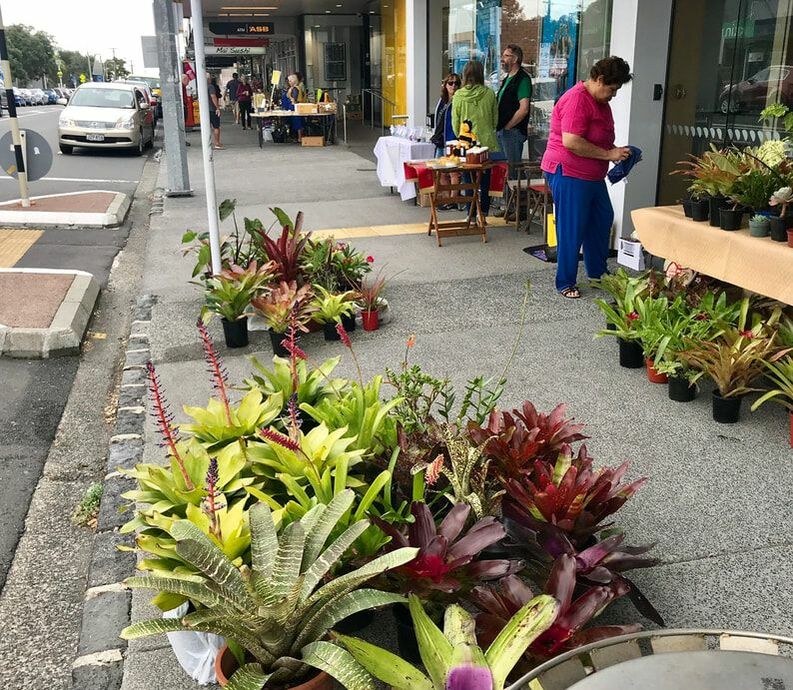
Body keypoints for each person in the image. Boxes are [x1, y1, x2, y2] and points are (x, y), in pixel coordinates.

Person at [540, 56, 633, 299]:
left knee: (602, 218)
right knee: (572, 226)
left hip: (591, 174)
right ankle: (565, 282)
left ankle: (597, 273)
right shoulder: (577, 99)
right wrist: (608, 153)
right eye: (612, 89)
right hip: (568, 171)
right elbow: (571, 141)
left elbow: (598, 138)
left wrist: (616, 153)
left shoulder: (600, 103)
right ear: (600, 79)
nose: (613, 95)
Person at [452, 60, 501, 218]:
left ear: (465, 75)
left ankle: (471, 214)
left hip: (466, 144)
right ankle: (484, 213)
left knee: (468, 180)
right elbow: (495, 120)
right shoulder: (489, 93)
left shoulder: (459, 95)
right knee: (485, 180)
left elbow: (455, 122)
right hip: (486, 144)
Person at [432, 73, 461, 210]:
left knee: (453, 172)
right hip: (440, 140)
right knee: (440, 171)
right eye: (450, 83)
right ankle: (446, 198)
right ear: (445, 85)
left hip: (452, 140)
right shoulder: (442, 100)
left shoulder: (459, 101)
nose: (453, 86)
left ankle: (453, 199)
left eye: (456, 83)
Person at [287, 72, 307, 142]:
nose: (289, 82)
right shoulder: (298, 88)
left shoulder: (295, 89)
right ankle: (301, 137)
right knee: (300, 122)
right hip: (299, 106)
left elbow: (294, 99)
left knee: (297, 122)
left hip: (295, 107)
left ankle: (299, 137)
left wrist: (291, 99)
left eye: (290, 80)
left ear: (294, 81)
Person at [207, 74, 224, 150]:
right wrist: (217, 108)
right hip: (212, 109)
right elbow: (213, 96)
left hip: (205, 110)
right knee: (216, 126)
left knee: (207, 127)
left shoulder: (201, 87)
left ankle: (207, 143)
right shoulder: (210, 87)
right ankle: (217, 143)